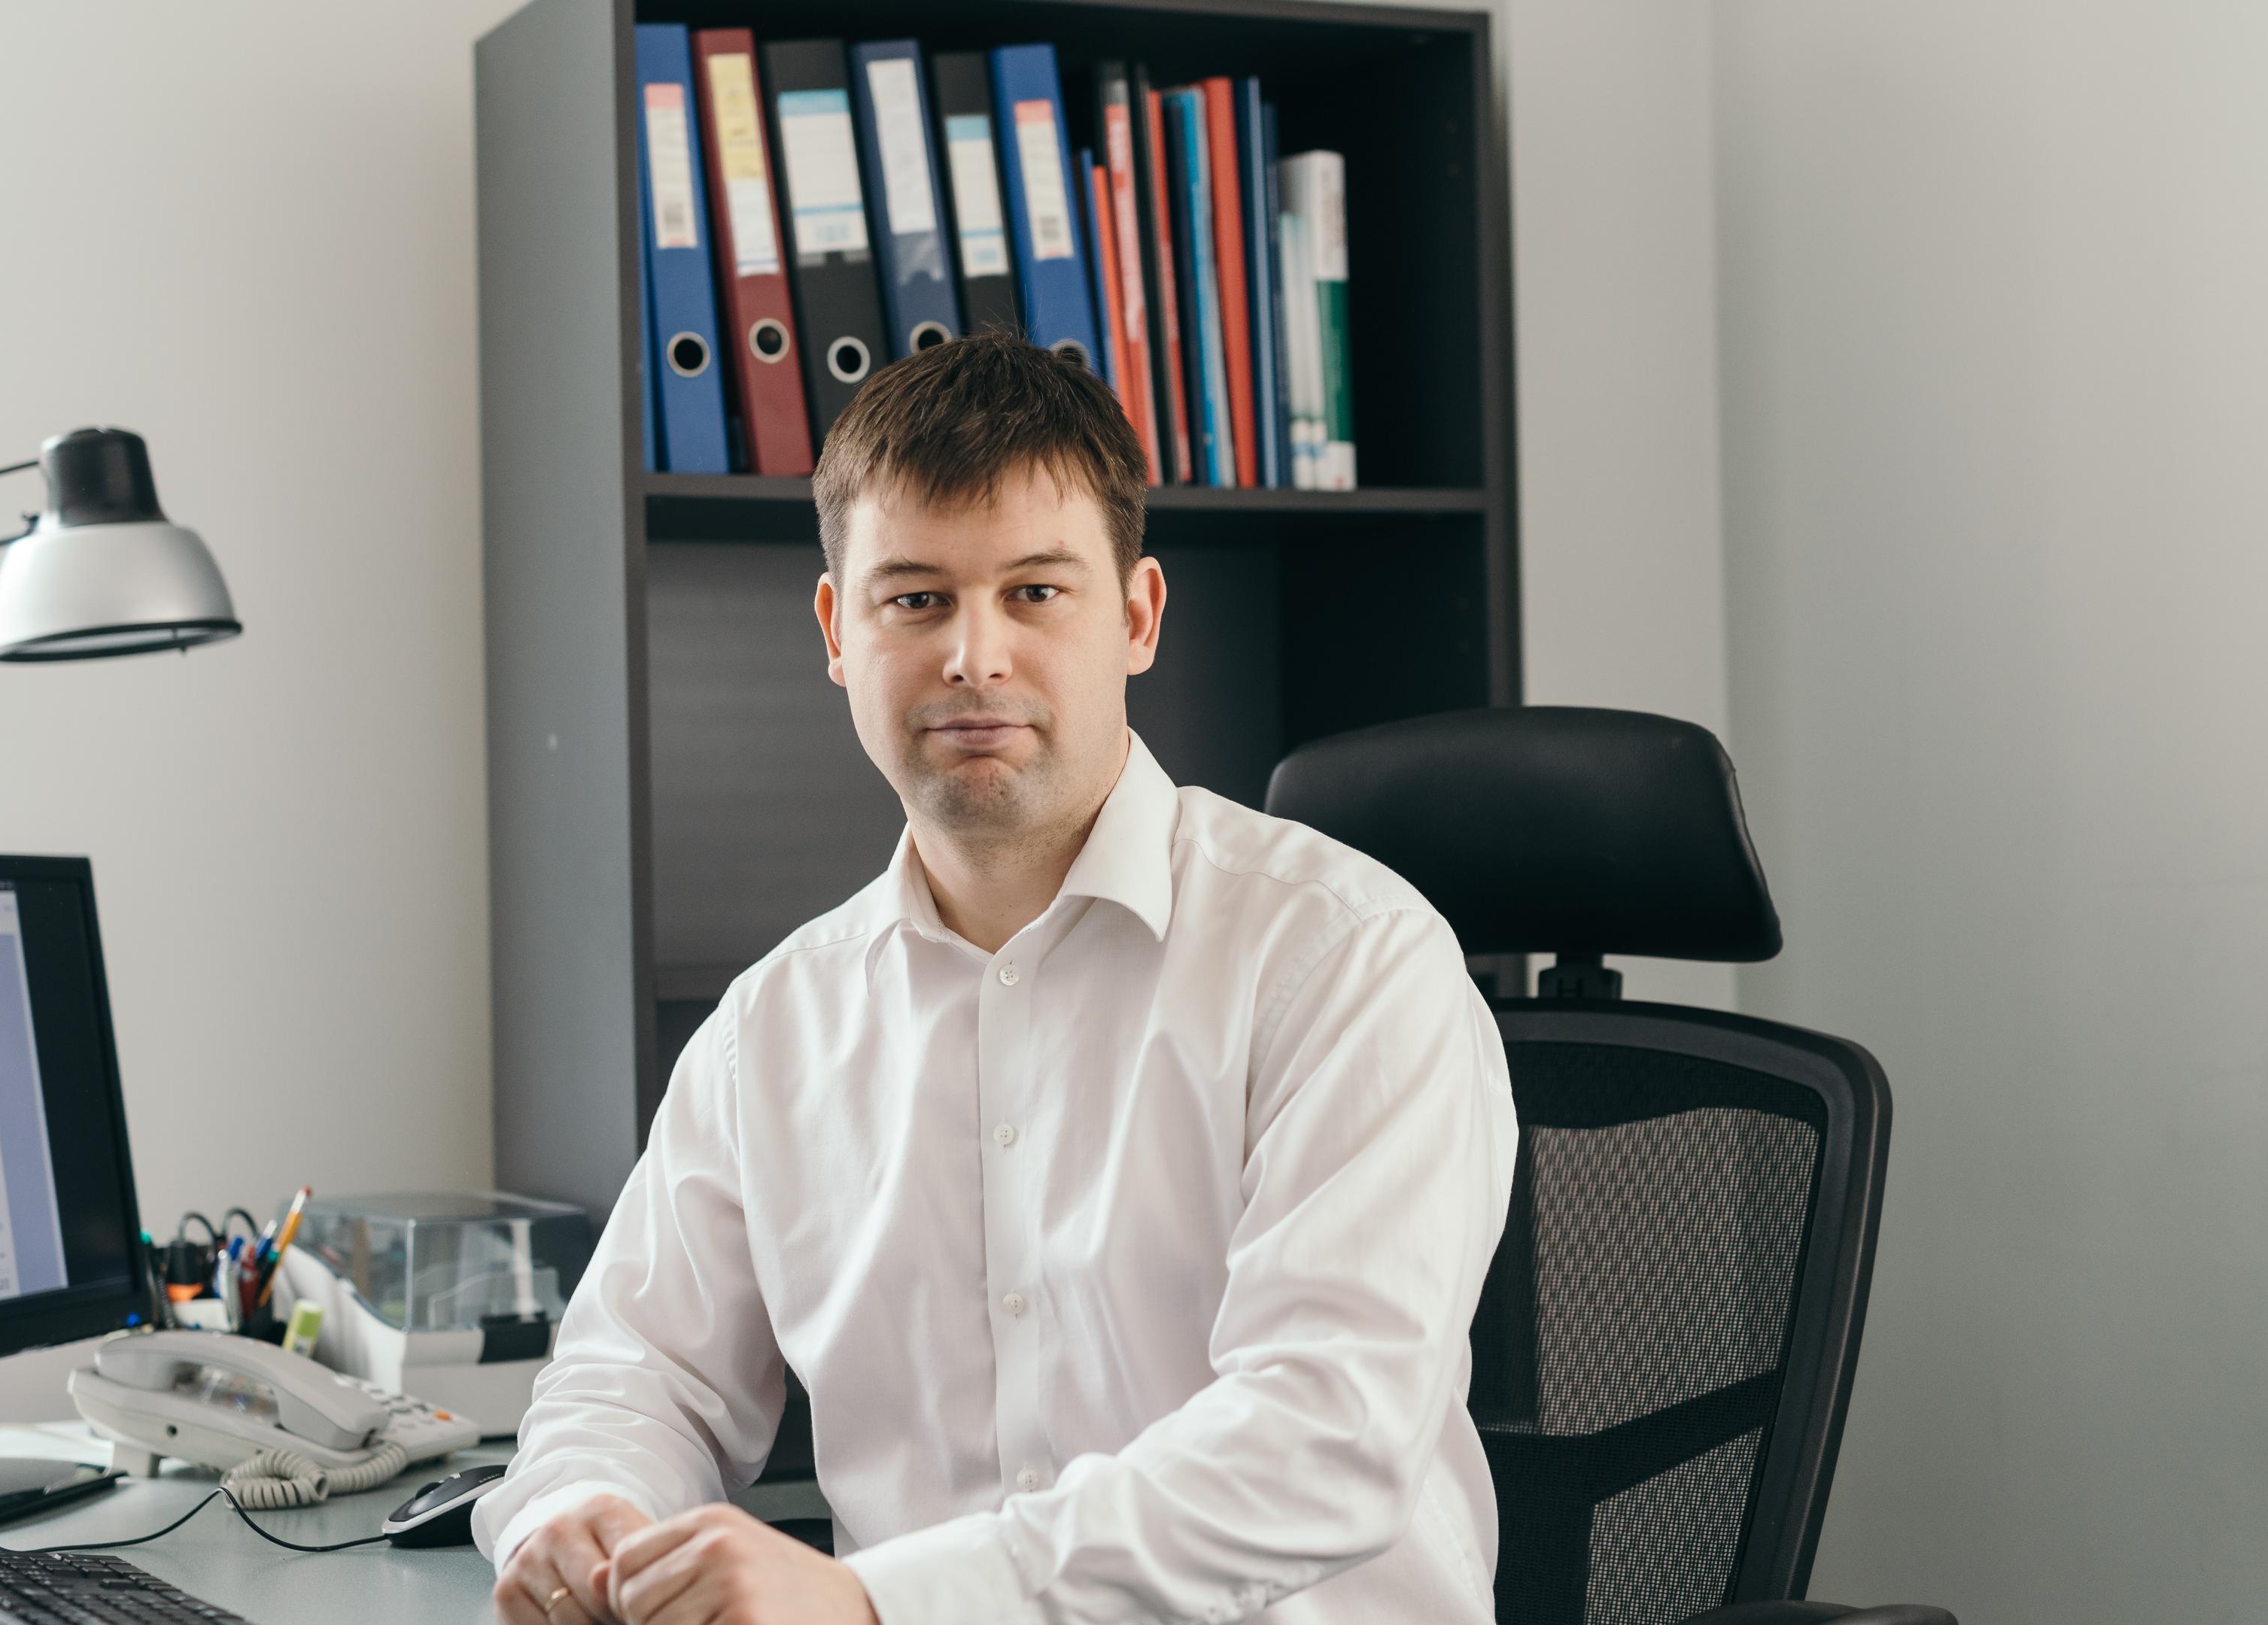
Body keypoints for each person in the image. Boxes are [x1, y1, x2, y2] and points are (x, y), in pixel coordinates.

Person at [478, 332, 1517, 1625]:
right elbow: (634, 1376)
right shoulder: (777, 1030)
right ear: (837, 631)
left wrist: (879, 1605)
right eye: (915, 598)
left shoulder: (1346, 961)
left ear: (1136, 616)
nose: (976, 657)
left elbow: (1322, 1439)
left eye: (1036, 592)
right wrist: (585, 1524)